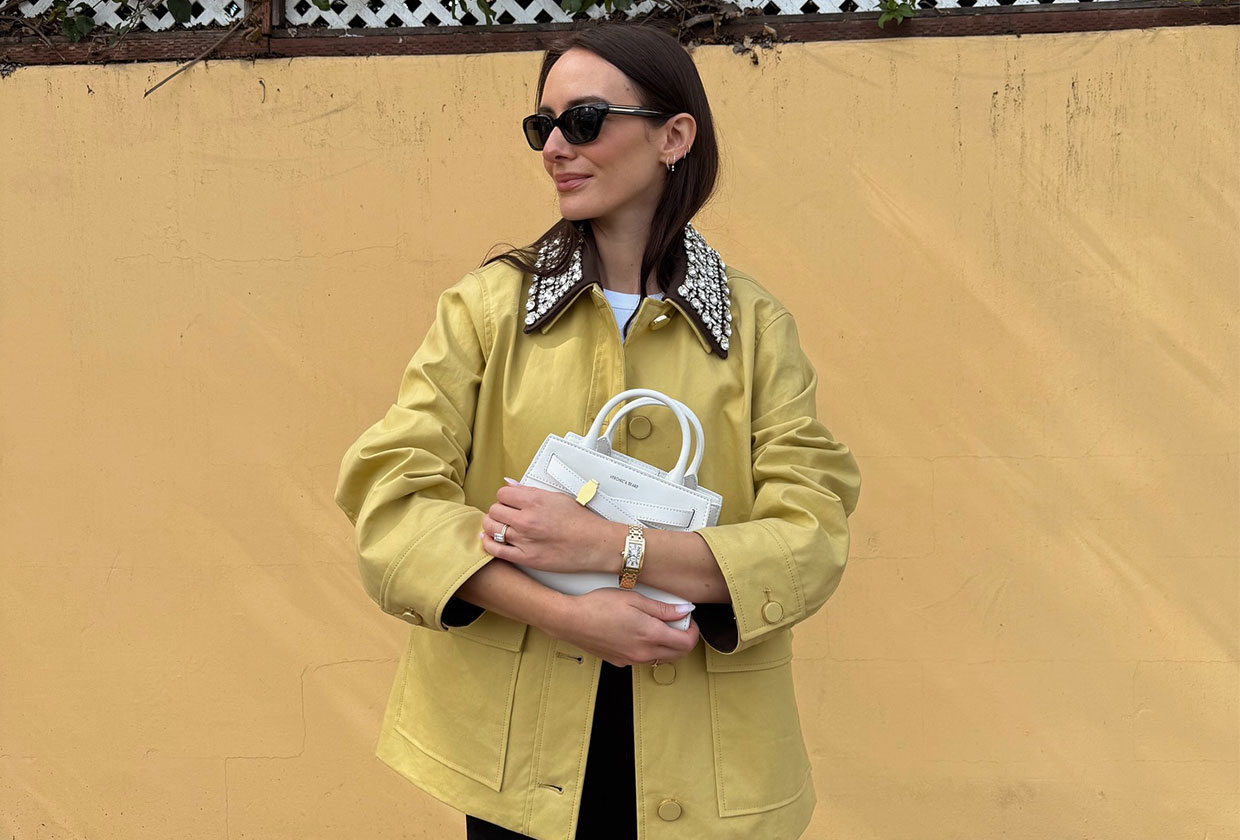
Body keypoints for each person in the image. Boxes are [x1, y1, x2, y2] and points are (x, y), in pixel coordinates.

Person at [335, 23, 860, 840]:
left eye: (583, 120)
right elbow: (391, 498)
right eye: (541, 126)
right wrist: (568, 614)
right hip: (519, 748)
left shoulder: (756, 328)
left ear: (673, 135)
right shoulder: (486, 310)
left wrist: (614, 548)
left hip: (710, 752)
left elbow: (814, 533)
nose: (554, 147)